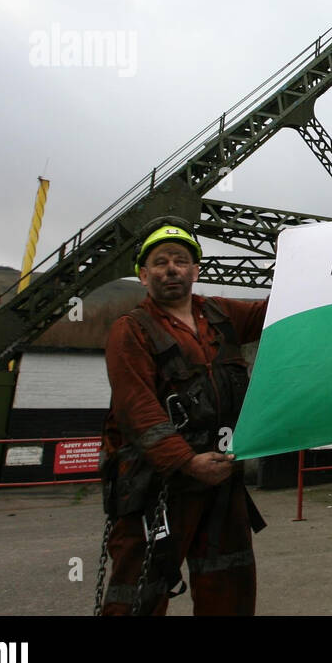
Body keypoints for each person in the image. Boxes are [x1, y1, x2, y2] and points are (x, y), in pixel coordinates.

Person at [97, 220, 269, 616]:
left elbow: (273, 314)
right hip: (155, 484)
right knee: (139, 592)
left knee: (229, 584)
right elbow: (136, 408)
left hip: (220, 475)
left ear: (196, 270)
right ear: (143, 275)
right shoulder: (131, 331)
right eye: (160, 262)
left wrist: (317, 270)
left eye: (180, 260)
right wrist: (186, 462)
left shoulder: (220, 314)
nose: (171, 268)